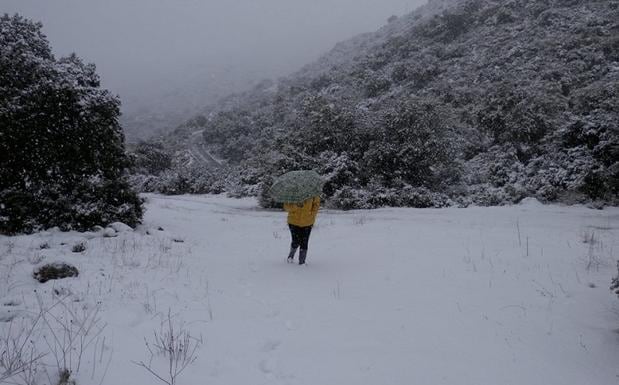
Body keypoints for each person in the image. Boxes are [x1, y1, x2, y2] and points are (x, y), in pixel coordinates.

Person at [283, 195, 320, 265]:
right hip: (293, 222)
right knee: (296, 241)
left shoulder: (313, 193)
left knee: (304, 242)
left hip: (308, 222)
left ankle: (302, 262)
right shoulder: (291, 193)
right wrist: (296, 206)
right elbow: (286, 207)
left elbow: (316, 204)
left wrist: (312, 214)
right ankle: (291, 256)